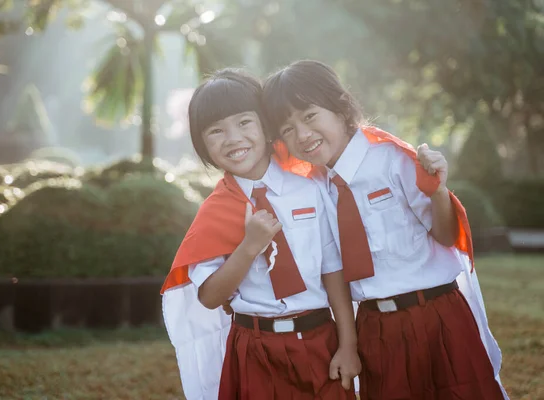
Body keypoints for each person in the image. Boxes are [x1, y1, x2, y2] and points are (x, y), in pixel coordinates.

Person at [262, 59, 509, 400]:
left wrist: (438, 192)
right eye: (287, 129)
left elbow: (446, 236)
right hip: (377, 328)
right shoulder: (316, 189)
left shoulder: (392, 159)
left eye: (309, 116)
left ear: (340, 108)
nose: (302, 135)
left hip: (438, 316)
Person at [161, 68, 359, 400]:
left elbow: (333, 270)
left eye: (244, 122)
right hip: (255, 348)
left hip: (320, 341)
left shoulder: (310, 187)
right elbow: (209, 297)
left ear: (266, 127)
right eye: (216, 131)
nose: (233, 139)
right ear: (202, 145)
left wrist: (348, 345)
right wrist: (249, 246)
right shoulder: (217, 210)